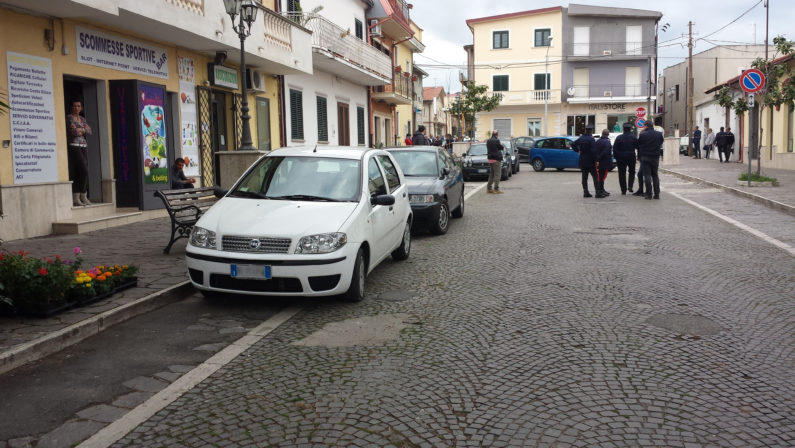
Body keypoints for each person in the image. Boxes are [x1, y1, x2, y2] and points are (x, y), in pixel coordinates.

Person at [67, 100, 92, 206]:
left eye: (78, 106)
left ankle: (78, 196)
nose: (76, 108)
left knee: (80, 172)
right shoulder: (69, 118)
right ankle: (82, 194)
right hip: (74, 146)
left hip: (83, 146)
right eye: (74, 106)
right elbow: (73, 131)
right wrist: (83, 130)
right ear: (72, 107)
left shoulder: (82, 119)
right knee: (84, 170)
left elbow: (90, 131)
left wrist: (82, 130)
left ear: (81, 108)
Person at [637, 120, 664, 199]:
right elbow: (661, 142)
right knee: (655, 175)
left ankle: (649, 194)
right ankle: (657, 194)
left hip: (645, 157)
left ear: (645, 126)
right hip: (655, 157)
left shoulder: (643, 135)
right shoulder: (659, 134)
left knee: (647, 175)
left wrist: (641, 132)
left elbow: (639, 144)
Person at [572, 125, 598, 198]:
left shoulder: (581, 138)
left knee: (584, 177)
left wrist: (578, 150)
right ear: (591, 131)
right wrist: (596, 160)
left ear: (585, 130)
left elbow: (573, 144)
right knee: (595, 176)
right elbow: (594, 150)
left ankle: (585, 192)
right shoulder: (591, 139)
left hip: (582, 160)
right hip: (591, 160)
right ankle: (597, 192)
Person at [613, 123, 639, 195]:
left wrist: (616, 157)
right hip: (631, 156)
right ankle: (630, 186)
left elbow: (615, 148)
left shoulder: (619, 137)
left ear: (623, 129)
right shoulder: (633, 137)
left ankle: (623, 190)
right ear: (630, 129)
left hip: (621, 157)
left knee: (622, 173)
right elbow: (638, 147)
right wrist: (638, 156)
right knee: (632, 172)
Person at [595, 129, 613, 198]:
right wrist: (599, 158)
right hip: (604, 162)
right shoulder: (607, 142)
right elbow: (605, 152)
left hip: (599, 162)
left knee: (601, 176)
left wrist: (597, 159)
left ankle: (602, 189)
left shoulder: (598, 141)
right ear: (608, 134)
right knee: (602, 177)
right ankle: (600, 190)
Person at [486, 129, 504, 194]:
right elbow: (501, 148)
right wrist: (502, 145)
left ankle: (489, 188)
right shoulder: (497, 140)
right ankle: (496, 189)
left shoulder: (488, 141)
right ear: (497, 134)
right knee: (497, 174)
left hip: (490, 159)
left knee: (491, 174)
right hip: (496, 159)